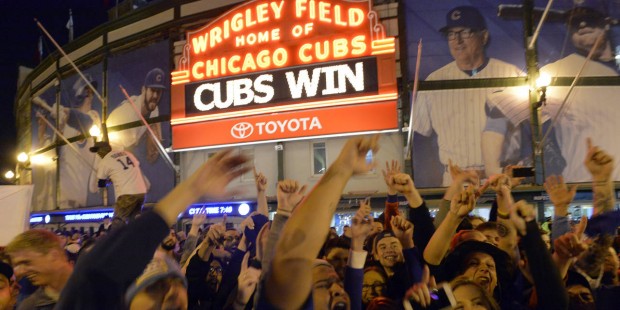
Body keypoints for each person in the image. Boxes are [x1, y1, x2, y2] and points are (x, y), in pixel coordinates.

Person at [54, 148, 252, 309]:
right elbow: (94, 272)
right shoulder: (94, 281)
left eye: (175, 285)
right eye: (155, 288)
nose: (171, 295)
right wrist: (191, 190)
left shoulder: (107, 161)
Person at [484, 4, 620, 183]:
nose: (582, 26)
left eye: (590, 19)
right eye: (575, 22)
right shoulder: (562, 72)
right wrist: (493, 171)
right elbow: (497, 108)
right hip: (585, 189)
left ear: (606, 23)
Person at [412, 5, 524, 186]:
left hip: (502, 178)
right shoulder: (434, 81)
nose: (457, 41)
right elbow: (420, 141)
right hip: (455, 181)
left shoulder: (511, 74)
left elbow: (534, 132)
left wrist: (524, 170)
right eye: (451, 34)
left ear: (484, 36)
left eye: (465, 32)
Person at [32, 74, 101, 208]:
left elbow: (83, 125)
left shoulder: (93, 117)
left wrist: (67, 113)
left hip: (75, 201)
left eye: (91, 92)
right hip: (56, 199)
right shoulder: (64, 123)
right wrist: (48, 127)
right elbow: (51, 157)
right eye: (88, 92)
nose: (90, 96)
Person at [107, 68, 166, 163]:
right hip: (109, 149)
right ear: (143, 90)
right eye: (152, 90)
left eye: (159, 92)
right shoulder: (129, 116)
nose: (155, 96)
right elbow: (129, 146)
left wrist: (158, 141)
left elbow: (156, 122)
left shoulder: (154, 108)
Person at [5, 230, 74, 310]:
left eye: (26, 262)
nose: (21, 272)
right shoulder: (29, 306)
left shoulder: (90, 289)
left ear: (54, 255)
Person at [90, 141, 148, 229]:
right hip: (141, 192)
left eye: (98, 151)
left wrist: (109, 181)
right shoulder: (127, 153)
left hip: (126, 194)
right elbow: (131, 168)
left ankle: (116, 242)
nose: (98, 154)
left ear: (103, 150)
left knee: (118, 222)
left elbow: (101, 184)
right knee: (134, 222)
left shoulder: (105, 161)